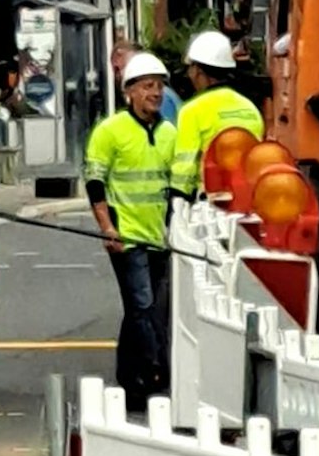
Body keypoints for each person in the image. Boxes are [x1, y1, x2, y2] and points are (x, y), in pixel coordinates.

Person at [84, 52, 176, 412]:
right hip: (128, 238)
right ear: (130, 92)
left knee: (145, 310)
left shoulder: (169, 133)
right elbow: (95, 182)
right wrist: (107, 228)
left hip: (159, 239)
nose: (156, 92)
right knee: (143, 308)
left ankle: (130, 379)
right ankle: (155, 374)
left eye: (160, 85)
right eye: (148, 86)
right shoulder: (110, 132)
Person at [169, 29, 265, 199]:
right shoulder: (250, 108)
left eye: (190, 69)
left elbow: (184, 167)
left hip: (210, 205)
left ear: (198, 70)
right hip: (247, 201)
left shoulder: (192, 110)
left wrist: (177, 200)